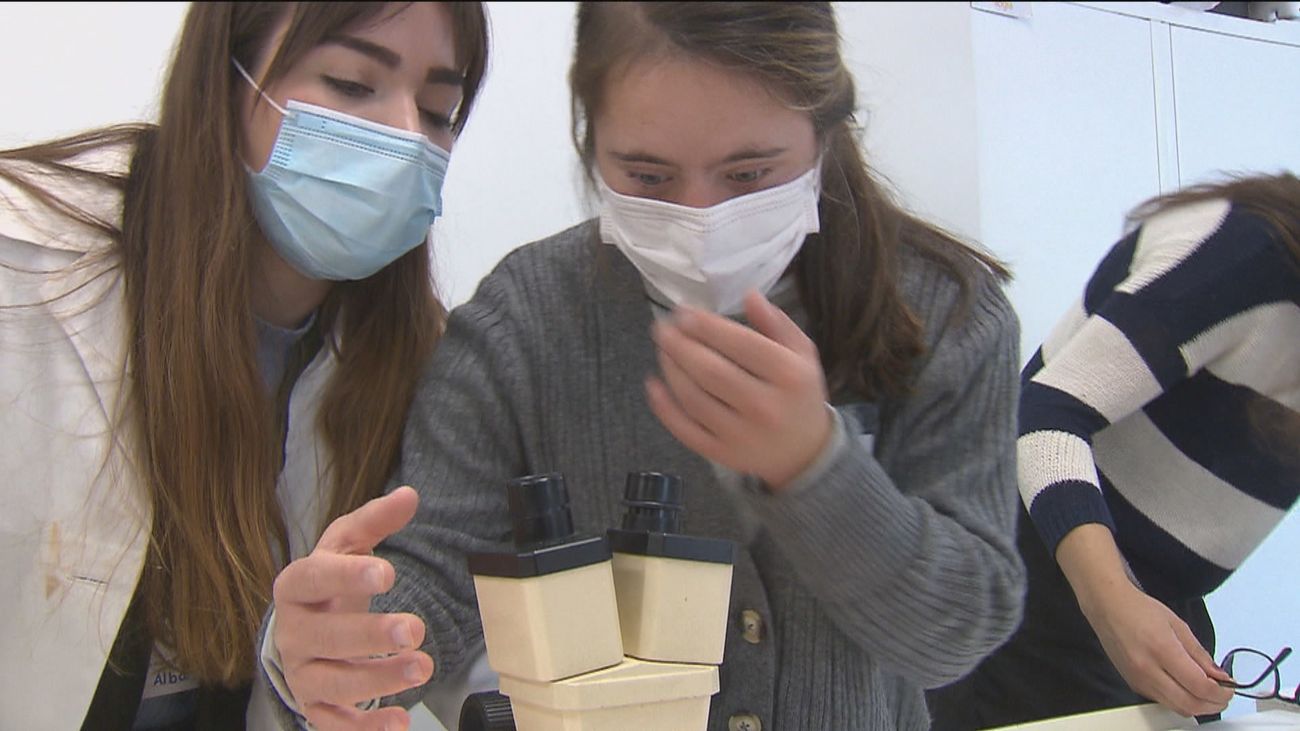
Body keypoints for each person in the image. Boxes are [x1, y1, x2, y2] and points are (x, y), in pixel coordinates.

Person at [264, 3, 1027, 730]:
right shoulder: (524, 320)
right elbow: (441, 580)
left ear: (824, 133)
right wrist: (347, 642)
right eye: (649, 178)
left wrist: (816, 468)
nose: (699, 220)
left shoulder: (947, 311)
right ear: (590, 143)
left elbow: (956, 636)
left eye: (750, 175)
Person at [0, 3, 487, 729]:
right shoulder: (24, 267)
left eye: (439, 109)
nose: (405, 136)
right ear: (227, 83)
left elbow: (451, 657)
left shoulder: (420, 361)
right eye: (352, 84)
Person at [928, 174, 1300, 730]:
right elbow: (1043, 414)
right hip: (1039, 582)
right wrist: (1114, 605)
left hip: (1158, 594)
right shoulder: (1249, 255)